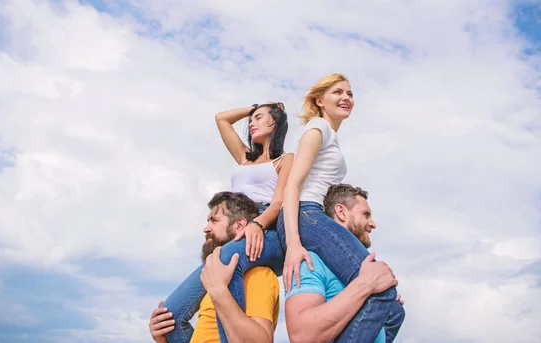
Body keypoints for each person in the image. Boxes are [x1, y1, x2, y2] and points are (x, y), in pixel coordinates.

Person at [278, 73, 405, 343]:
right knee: (379, 283)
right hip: (307, 214)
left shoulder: (329, 135)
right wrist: (293, 244)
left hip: (312, 216)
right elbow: (293, 186)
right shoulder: (318, 128)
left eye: (349, 93)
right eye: (338, 92)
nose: (346, 98)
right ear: (320, 100)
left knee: (393, 310)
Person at [162, 103, 293, 343]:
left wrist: (258, 225)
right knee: (168, 318)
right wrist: (255, 106)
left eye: (260, 118)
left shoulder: (286, 159)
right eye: (251, 119)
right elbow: (221, 119)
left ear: (276, 123)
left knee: (224, 259)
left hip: (268, 229)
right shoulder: (245, 158)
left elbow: (278, 203)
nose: (252, 123)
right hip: (241, 224)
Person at [149, 191, 280, 343]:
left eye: (214, 221)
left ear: (240, 225)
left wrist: (219, 291)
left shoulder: (258, 275)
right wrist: (165, 338)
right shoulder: (211, 279)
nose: (206, 228)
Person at [285, 184, 405, 343]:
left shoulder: (360, 268)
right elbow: (302, 336)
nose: (372, 224)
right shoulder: (311, 261)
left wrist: (384, 314)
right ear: (341, 212)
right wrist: (365, 285)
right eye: (366, 214)